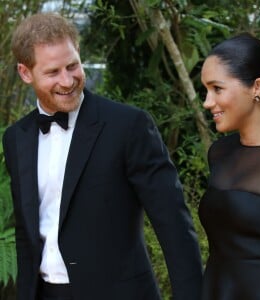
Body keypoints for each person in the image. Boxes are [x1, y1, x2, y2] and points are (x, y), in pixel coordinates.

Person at [2, 12, 203, 300]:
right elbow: (26, 231)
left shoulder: (129, 125)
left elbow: (174, 224)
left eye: (72, 66)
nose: (67, 80)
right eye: (52, 72)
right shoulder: (15, 138)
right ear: (25, 73)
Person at [198, 32, 260, 300]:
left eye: (217, 89)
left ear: (257, 87)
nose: (207, 102)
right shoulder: (220, 153)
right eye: (206, 90)